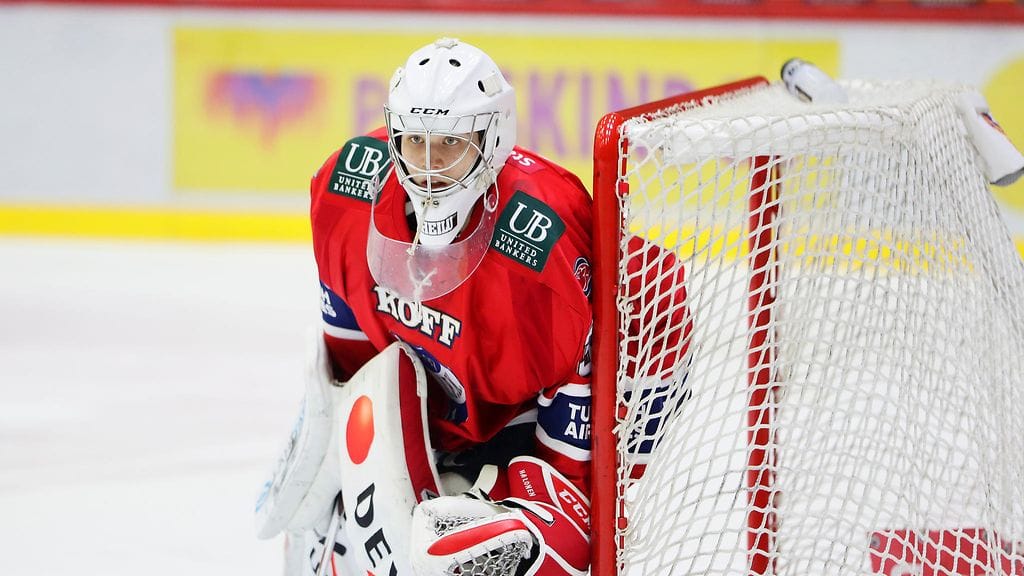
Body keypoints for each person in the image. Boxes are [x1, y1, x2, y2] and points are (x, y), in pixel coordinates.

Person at [259, 38, 595, 576]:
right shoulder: (348, 190)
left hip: (513, 430)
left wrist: (531, 517)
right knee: (336, 546)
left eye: (451, 144)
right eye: (415, 141)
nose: (430, 167)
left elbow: (570, 472)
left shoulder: (543, 246)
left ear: (493, 139)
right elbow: (356, 372)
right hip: (417, 422)